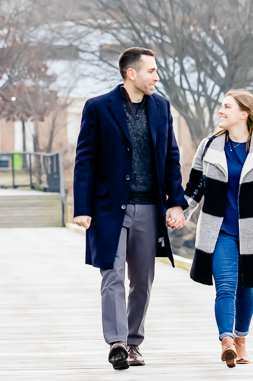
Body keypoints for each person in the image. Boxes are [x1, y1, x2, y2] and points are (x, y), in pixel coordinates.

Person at [73, 47, 187, 371]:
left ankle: (134, 341)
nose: (157, 77)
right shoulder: (97, 108)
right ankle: (117, 342)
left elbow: (171, 158)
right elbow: (85, 160)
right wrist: (82, 207)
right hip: (109, 208)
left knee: (143, 279)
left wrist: (176, 203)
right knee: (112, 274)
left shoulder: (162, 107)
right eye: (152, 71)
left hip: (149, 207)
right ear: (131, 73)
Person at [183, 89, 253, 368]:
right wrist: (180, 213)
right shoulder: (209, 145)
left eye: (227, 107)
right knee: (225, 287)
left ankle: (241, 340)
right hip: (218, 232)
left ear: (244, 114)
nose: (221, 111)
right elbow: (195, 187)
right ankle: (226, 341)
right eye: (221, 106)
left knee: (246, 290)